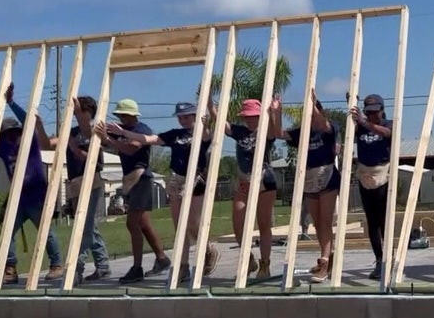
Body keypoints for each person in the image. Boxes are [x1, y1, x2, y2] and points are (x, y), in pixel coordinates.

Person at [110, 101, 220, 283]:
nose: (183, 120)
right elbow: (149, 139)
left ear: (194, 117)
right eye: (180, 117)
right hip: (177, 180)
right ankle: (183, 267)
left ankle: (208, 249)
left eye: (187, 117)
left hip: (196, 180)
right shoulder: (174, 134)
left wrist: (205, 122)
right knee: (180, 227)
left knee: (194, 224)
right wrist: (123, 133)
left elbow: (207, 136)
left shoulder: (201, 134)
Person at [0, 84, 63, 284]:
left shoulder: (31, 141)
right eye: (9, 133)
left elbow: (28, 120)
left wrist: (11, 102)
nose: (13, 136)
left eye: (15, 132)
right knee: (7, 231)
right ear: (3, 135)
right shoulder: (2, 146)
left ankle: (56, 265)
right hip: (19, 198)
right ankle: (10, 269)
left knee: (46, 230)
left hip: (37, 194)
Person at [94, 98, 171, 284]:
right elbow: (107, 144)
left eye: (124, 115)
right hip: (130, 180)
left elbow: (131, 149)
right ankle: (161, 258)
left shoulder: (141, 130)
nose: (121, 118)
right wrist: (105, 137)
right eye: (120, 115)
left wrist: (110, 139)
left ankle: (137, 267)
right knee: (143, 224)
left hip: (142, 177)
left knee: (132, 223)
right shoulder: (119, 131)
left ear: (132, 115)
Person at [35, 95, 111, 283]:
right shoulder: (71, 132)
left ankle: (76, 267)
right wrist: (40, 127)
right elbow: (46, 145)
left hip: (91, 180)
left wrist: (75, 149)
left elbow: (92, 155)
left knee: (84, 227)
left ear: (87, 112)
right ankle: (103, 265)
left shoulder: (94, 130)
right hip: (76, 182)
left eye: (79, 111)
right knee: (89, 225)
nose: (75, 113)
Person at [270, 91, 342, 283]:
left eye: (312, 114)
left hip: (326, 176)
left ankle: (325, 261)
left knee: (326, 221)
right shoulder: (302, 132)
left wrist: (312, 103)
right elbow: (279, 133)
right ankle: (327, 254)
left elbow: (324, 124)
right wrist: (277, 112)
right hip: (309, 177)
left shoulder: (330, 128)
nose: (309, 118)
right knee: (317, 222)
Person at [208, 97, 280, 280]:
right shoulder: (239, 132)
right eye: (246, 117)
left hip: (264, 180)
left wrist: (275, 111)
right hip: (244, 180)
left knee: (263, 223)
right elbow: (221, 122)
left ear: (259, 116)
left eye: (253, 116)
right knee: (238, 222)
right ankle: (248, 260)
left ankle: (265, 264)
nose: (249, 120)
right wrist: (210, 104)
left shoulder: (266, 131)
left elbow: (276, 129)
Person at [350, 93, 394, 280]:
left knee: (385, 220)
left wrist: (365, 123)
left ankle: (389, 260)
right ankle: (379, 259)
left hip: (382, 173)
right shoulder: (360, 127)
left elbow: (387, 134)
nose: (372, 115)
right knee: (372, 221)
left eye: (375, 112)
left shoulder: (388, 124)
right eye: (369, 113)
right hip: (365, 174)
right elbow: (350, 132)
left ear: (382, 110)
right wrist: (351, 107)